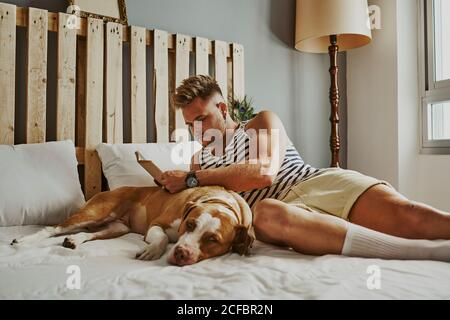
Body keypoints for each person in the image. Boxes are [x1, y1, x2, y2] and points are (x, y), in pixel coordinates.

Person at [160, 75, 450, 262]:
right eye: (189, 124)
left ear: (223, 110)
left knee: (410, 217)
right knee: (265, 214)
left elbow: (264, 172)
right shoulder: (198, 161)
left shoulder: (260, 122)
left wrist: (191, 179)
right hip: (280, 212)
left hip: (317, 182)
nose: (195, 130)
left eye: (201, 119)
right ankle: (421, 252)